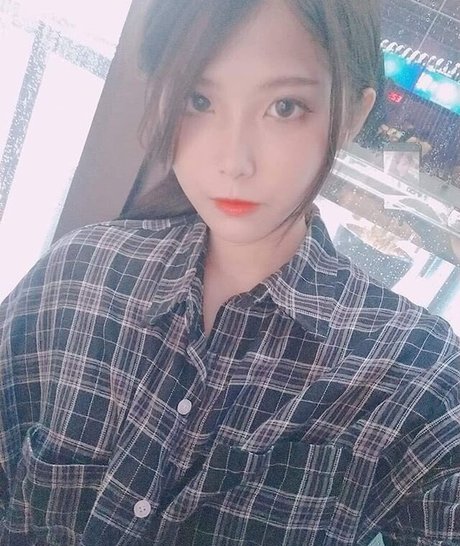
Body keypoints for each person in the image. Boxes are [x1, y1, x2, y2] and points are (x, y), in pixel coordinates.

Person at [1, 1, 459, 545]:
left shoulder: (414, 375)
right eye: (199, 100)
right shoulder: (81, 274)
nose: (233, 162)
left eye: (284, 107)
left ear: (353, 117)